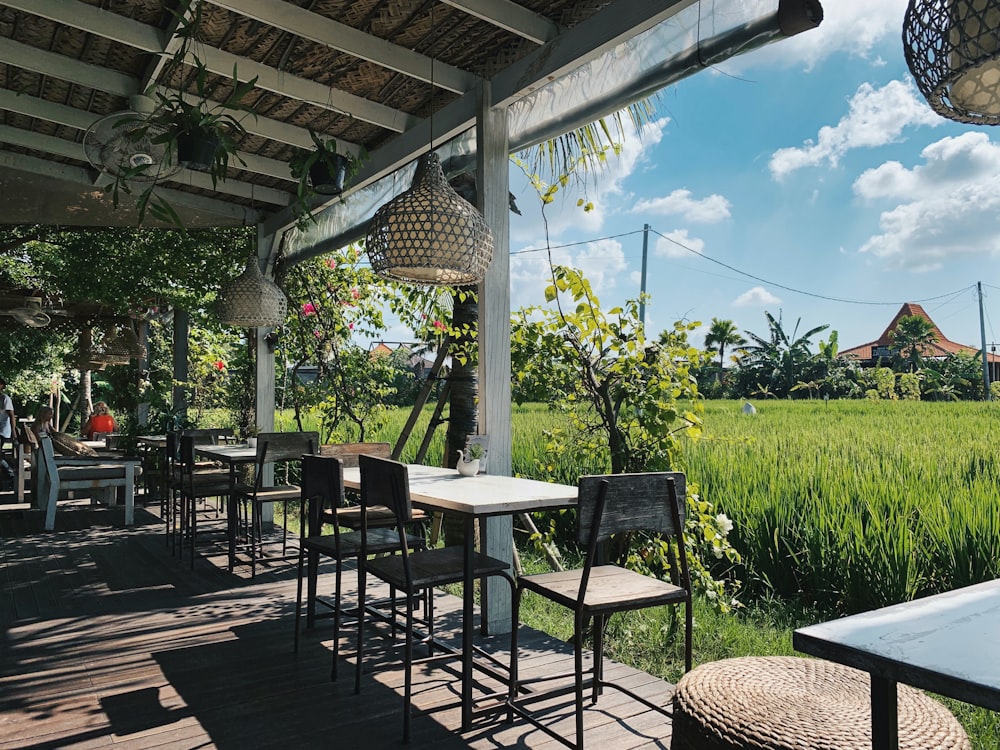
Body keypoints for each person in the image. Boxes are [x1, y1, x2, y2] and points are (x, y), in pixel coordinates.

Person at [0, 379, 16, 485]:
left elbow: (11, 415)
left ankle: (11, 475)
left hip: (2, 430)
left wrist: (13, 430)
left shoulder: (5, 398)